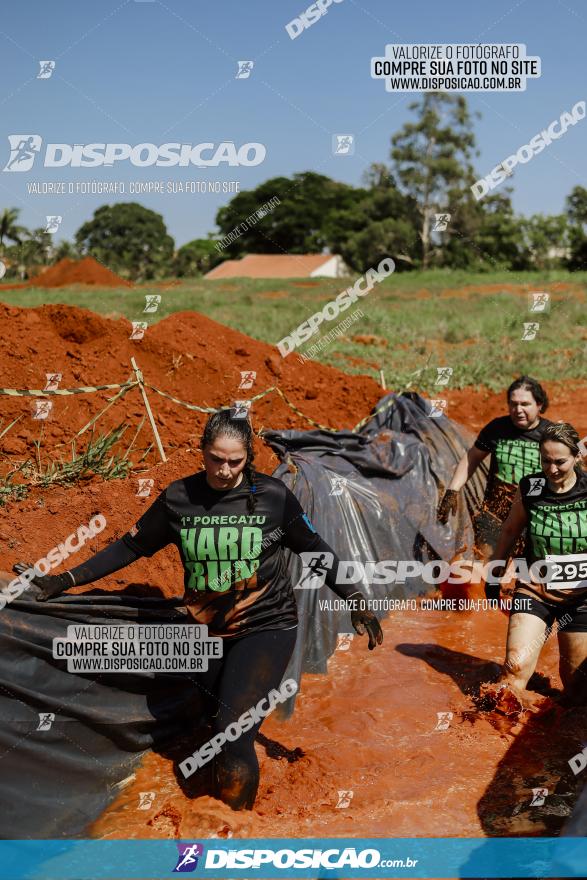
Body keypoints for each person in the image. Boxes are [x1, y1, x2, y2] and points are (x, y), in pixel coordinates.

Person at [13, 408, 382, 811]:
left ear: (249, 457)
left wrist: (356, 601)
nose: (224, 470)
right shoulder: (179, 498)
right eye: (216, 459)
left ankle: (233, 836)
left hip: (266, 626)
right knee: (212, 719)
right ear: (202, 451)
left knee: (232, 731)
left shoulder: (273, 499)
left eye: (235, 461)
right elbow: (131, 547)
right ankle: (219, 793)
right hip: (206, 633)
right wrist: (64, 580)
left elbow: (315, 550)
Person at [485, 422, 587, 701]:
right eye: (545, 461)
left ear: (577, 456)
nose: (551, 469)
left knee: (577, 689)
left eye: (560, 462)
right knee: (514, 669)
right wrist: (493, 576)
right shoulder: (532, 487)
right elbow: (509, 531)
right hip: (534, 590)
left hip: (581, 599)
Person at [437, 376, 553, 557]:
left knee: (527, 576)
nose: (518, 410)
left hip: (535, 517)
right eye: (513, 404)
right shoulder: (497, 428)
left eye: (525, 404)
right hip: (494, 516)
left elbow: (569, 471)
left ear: (539, 405)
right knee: (489, 569)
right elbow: (472, 457)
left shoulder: (551, 434)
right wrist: (453, 490)